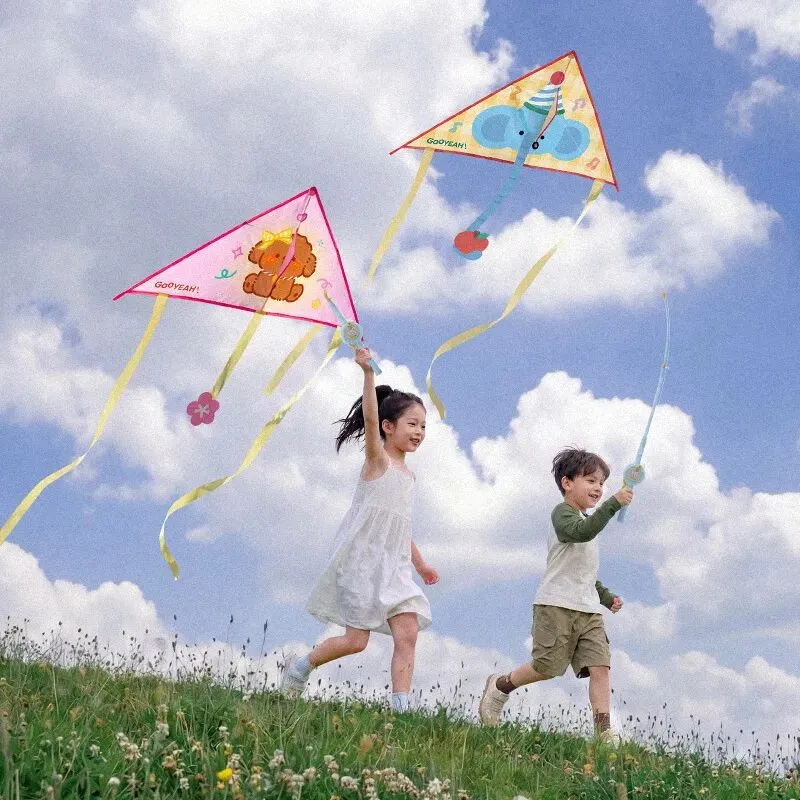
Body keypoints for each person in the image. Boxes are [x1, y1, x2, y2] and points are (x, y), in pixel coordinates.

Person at [280, 346, 439, 712]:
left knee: (408, 631)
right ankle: (300, 667)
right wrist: (368, 374)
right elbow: (368, 419)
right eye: (412, 424)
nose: (419, 431)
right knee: (356, 641)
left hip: (395, 567)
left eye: (423, 426)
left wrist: (421, 565)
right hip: (363, 563)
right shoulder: (377, 461)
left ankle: (401, 709)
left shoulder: (410, 476)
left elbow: (400, 527)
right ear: (388, 427)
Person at [478, 447, 633, 739]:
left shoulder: (587, 522)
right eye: (591, 480)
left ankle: (604, 734)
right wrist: (613, 504)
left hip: (588, 610)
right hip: (556, 605)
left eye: (602, 483)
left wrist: (605, 596)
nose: (598, 488)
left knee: (600, 667)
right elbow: (581, 532)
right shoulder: (563, 514)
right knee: (547, 668)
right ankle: (501, 686)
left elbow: (584, 572)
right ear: (567, 483)